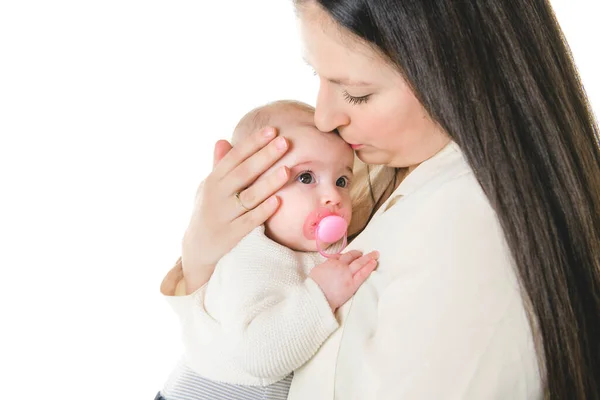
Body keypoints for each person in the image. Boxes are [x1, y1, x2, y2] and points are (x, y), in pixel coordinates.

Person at [160, 1, 600, 399]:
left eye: (357, 92)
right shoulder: (377, 170)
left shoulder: (467, 235)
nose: (325, 117)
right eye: (318, 76)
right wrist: (203, 257)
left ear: (458, 71)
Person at [157, 100, 378, 400]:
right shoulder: (250, 258)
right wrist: (321, 295)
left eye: (341, 181)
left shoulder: (303, 249)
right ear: (250, 186)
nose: (333, 197)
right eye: (306, 178)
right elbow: (259, 354)